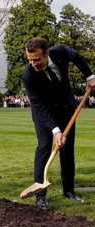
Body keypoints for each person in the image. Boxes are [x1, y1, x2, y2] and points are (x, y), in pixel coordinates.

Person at [22, 37, 95, 207]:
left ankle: (69, 190)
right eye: (30, 60)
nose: (33, 63)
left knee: (67, 149)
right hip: (44, 112)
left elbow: (76, 56)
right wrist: (55, 130)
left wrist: (90, 76)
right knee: (45, 145)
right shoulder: (28, 75)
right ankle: (40, 195)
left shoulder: (60, 52)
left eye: (37, 59)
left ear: (47, 54)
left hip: (66, 107)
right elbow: (39, 106)